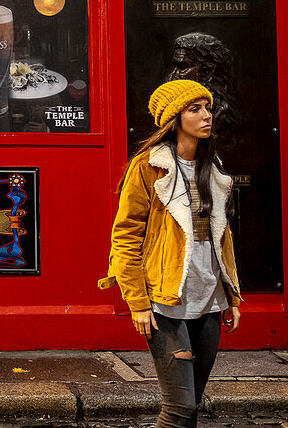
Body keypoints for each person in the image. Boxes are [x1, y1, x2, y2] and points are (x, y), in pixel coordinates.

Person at [99, 80, 241, 428]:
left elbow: (223, 238)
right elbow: (126, 236)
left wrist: (232, 294)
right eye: (195, 109)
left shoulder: (213, 167)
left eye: (208, 108)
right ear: (174, 119)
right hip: (165, 301)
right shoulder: (149, 166)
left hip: (209, 299)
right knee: (179, 409)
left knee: (192, 405)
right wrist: (138, 302)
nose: (207, 116)